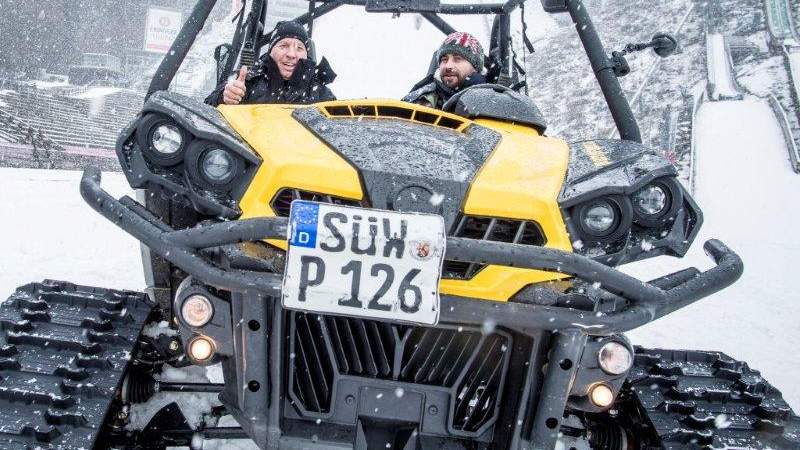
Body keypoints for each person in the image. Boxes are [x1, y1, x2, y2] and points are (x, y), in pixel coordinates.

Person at [205, 21, 336, 106]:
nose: (292, 54)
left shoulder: (322, 94)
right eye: (284, 45)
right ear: (271, 51)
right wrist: (224, 97)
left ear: (306, 55)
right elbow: (207, 107)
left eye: (299, 48)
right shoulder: (247, 83)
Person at [403, 31, 487, 109]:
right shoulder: (420, 100)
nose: (448, 66)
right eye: (444, 60)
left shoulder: (491, 102)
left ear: (475, 67)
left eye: (457, 59)